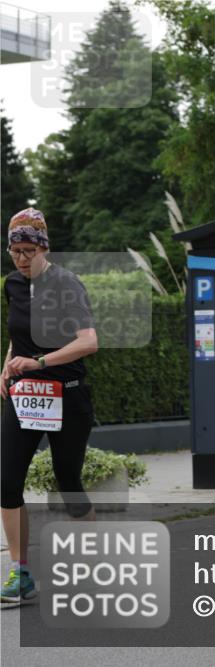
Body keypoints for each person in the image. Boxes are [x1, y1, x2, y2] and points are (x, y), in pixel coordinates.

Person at [2, 208, 99, 606]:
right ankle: (21, 572)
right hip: (24, 396)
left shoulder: (66, 284)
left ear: (44, 247)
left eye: (28, 250)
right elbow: (18, 338)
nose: (21, 259)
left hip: (66, 395)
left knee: (67, 484)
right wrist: (5, 367)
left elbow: (89, 342)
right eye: (14, 250)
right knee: (6, 483)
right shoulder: (11, 284)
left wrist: (40, 362)